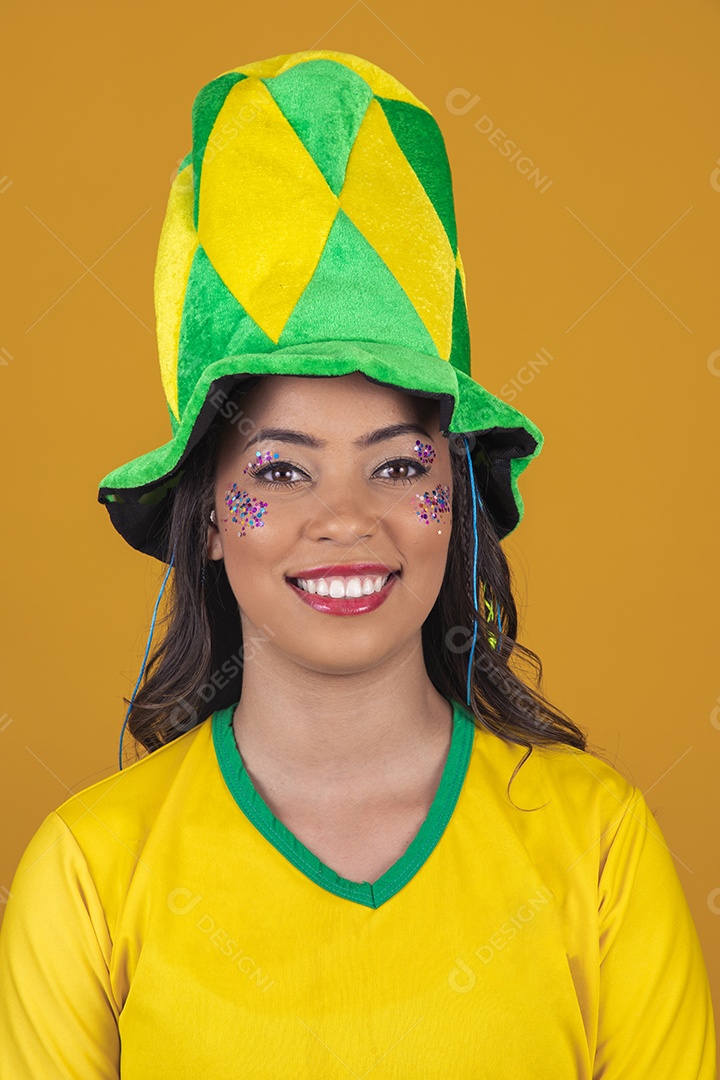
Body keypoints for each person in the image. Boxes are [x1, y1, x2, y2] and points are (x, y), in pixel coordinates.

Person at [0, 50, 715, 1079]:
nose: (347, 520)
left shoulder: (599, 842)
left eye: (398, 466)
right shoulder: (89, 867)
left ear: (455, 501)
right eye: (284, 470)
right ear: (207, 517)